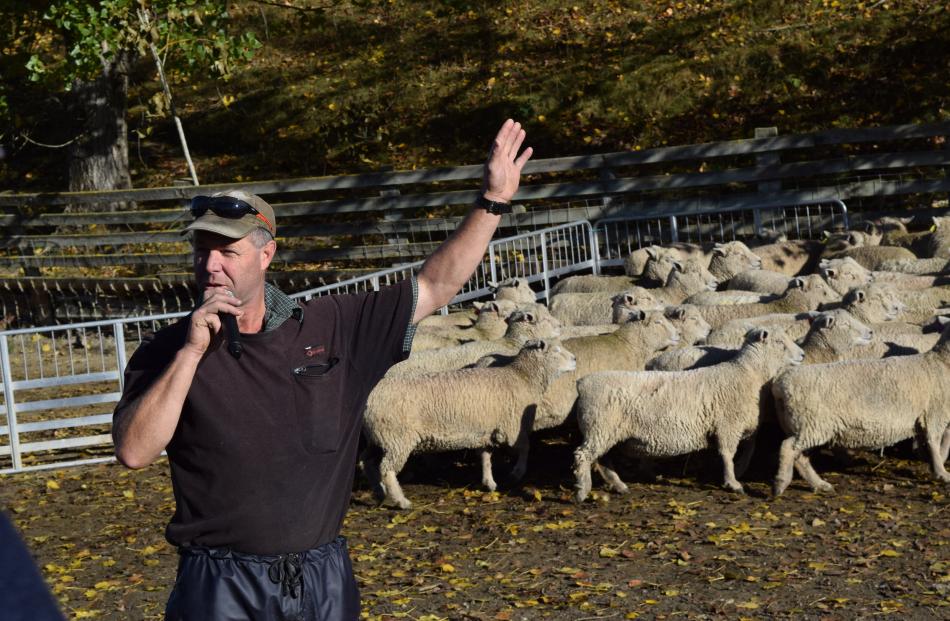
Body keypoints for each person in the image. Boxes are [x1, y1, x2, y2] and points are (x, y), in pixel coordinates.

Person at [111, 119, 533, 620]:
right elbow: (135, 452)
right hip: (219, 583)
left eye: (227, 252)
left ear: (266, 254)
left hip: (321, 580)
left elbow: (436, 286)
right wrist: (190, 354)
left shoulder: (333, 326)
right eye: (201, 251)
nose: (210, 266)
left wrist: (492, 201)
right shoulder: (165, 351)